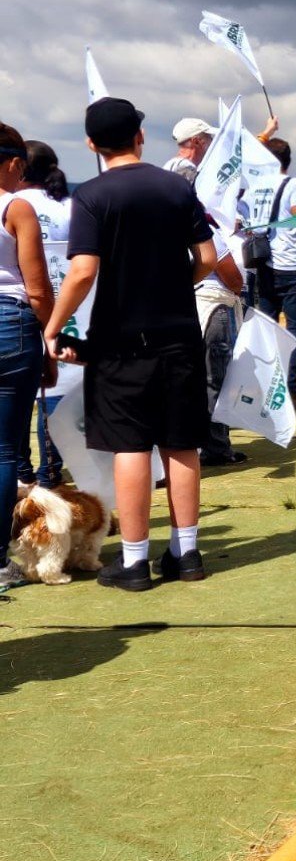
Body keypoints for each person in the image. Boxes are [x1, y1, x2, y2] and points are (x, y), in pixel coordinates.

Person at [45, 98, 218, 590]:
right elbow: (205, 256)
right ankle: (187, 554)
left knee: (131, 445)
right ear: (141, 136)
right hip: (179, 332)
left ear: (91, 144)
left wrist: (54, 326)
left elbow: (83, 270)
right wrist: (173, 283)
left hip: (120, 337)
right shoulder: (176, 187)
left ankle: (136, 560)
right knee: (182, 442)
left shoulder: (93, 195)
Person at [0, 121, 55, 590]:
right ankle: (0, 561)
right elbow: (37, 289)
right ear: (15, 164)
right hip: (10, 325)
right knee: (4, 450)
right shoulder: (16, 207)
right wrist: (49, 341)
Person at [16, 141, 71, 489]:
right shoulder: (69, 209)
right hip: (63, 308)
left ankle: (21, 475)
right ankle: (49, 475)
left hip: (16, 310)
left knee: (16, 395)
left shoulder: (11, 207)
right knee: (54, 392)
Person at [246, 138, 296, 409]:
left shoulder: (255, 187)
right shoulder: (293, 185)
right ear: (288, 159)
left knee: (268, 331)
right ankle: (293, 390)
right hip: (294, 265)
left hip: (264, 264)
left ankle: (266, 388)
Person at [196, 217, 248, 467]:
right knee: (214, 380)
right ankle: (216, 446)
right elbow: (228, 272)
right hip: (212, 304)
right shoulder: (200, 229)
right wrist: (240, 289)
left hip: (179, 307)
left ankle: (203, 443)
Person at [163, 117, 216, 184]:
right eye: (209, 138)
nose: (212, 141)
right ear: (196, 142)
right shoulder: (186, 169)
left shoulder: (173, 165)